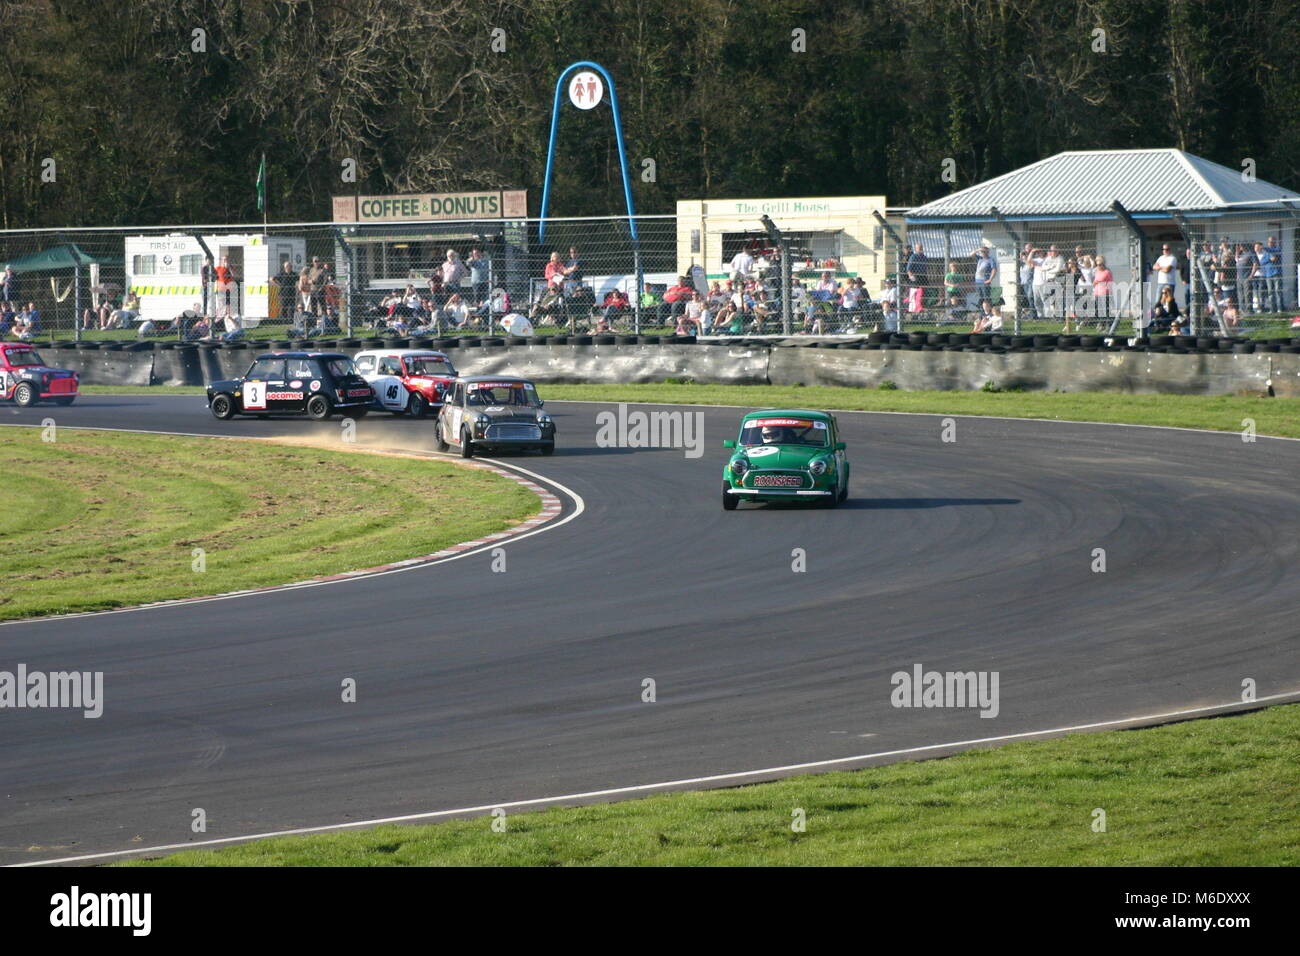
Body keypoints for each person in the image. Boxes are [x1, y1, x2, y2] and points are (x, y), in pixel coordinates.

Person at [1261, 235, 1283, 312]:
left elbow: (1275, 257)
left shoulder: (1277, 249)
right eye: (1269, 242)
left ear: (1274, 242)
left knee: (1278, 291)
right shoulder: (1266, 252)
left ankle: (1279, 308)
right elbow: (1262, 262)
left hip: (1276, 273)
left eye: (1271, 242)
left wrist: (1265, 249)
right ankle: (1272, 309)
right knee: (1270, 292)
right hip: (1268, 274)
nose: (1269, 243)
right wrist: (1269, 259)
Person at [1092, 255, 1113, 326]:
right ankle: (1102, 324)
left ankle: (1108, 325)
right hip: (1097, 293)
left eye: (1100, 265)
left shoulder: (1107, 272)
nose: (1098, 266)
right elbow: (1094, 282)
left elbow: (1110, 282)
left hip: (1105, 293)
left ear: (1103, 264)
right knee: (1100, 310)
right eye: (1097, 265)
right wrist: (1096, 282)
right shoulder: (1097, 272)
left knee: (1106, 310)